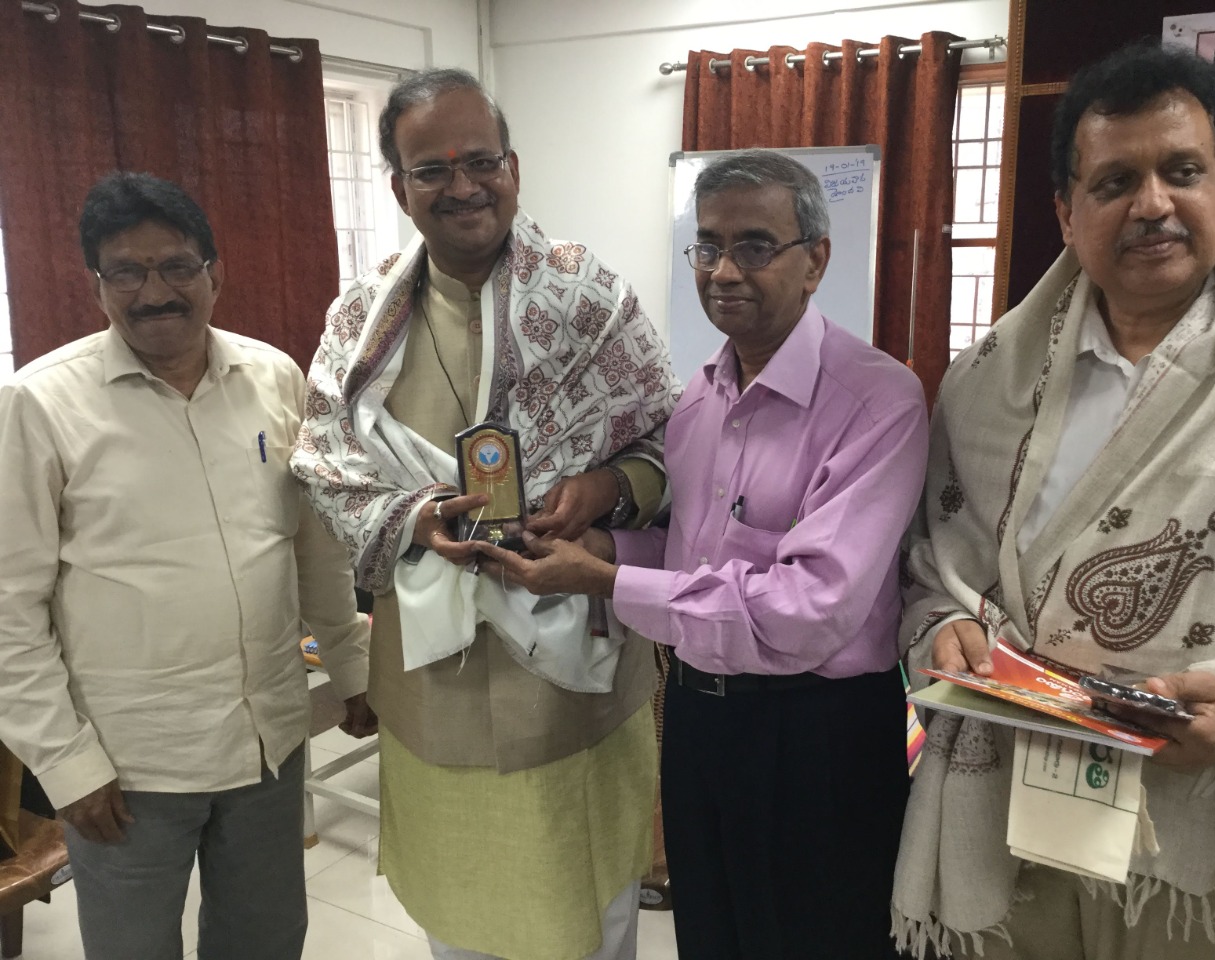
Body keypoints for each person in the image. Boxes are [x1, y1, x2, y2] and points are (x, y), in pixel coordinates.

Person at [475, 149, 929, 959]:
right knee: (713, 934)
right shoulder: (698, 398)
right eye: (708, 246)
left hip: (815, 734)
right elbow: (692, 555)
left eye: (754, 246)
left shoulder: (878, 400)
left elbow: (811, 607)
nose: (723, 271)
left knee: (822, 942)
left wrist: (607, 580)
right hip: (698, 720)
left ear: (816, 259)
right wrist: (596, 544)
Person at [891, 43, 1215, 960]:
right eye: (1114, 182)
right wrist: (945, 625)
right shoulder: (986, 382)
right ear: (1067, 213)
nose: (1152, 204)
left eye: (1182, 171)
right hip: (1005, 791)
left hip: (1189, 817)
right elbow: (932, 565)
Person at [290, 68, 678, 960]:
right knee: (459, 914)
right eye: (432, 169)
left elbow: (670, 437)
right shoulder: (360, 320)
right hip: (435, 678)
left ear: (514, 167)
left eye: (481, 162)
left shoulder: (591, 299)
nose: (462, 186)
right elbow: (324, 463)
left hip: (575, 670)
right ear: (400, 188)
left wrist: (608, 489)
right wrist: (413, 518)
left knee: (591, 906)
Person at [0, 171, 373, 960]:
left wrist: (351, 667)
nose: (154, 293)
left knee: (266, 941)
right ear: (96, 285)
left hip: (267, 742)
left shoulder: (273, 377)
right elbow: (9, 607)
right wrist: (66, 763)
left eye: (175, 266)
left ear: (215, 272)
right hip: (128, 767)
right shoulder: (39, 404)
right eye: (125, 273)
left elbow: (313, 546)